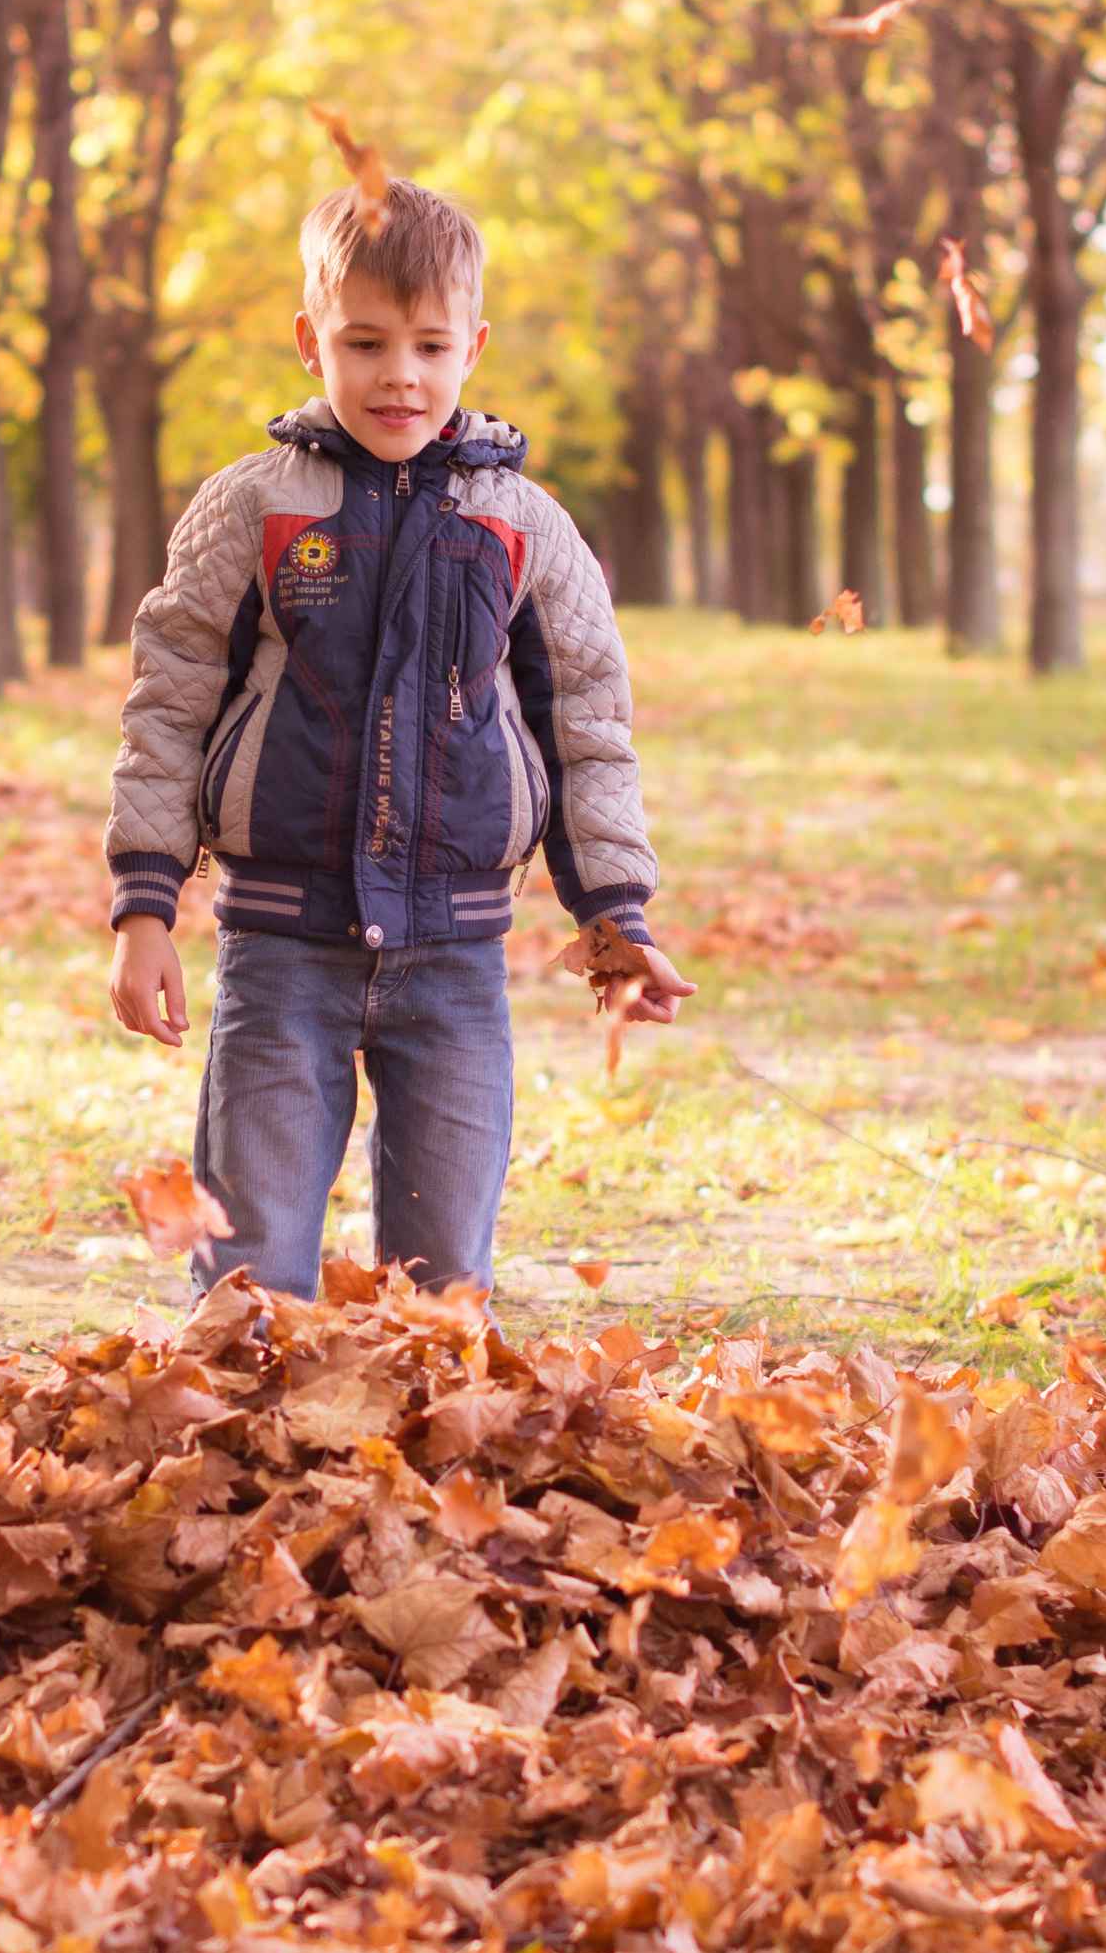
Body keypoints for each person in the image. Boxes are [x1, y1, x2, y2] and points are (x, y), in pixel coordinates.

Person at [104, 175, 693, 1298]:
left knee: (443, 1279)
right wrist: (143, 906)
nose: (399, 375)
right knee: (250, 1271)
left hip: (455, 961)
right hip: (282, 952)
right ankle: (244, 1446)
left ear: (472, 345)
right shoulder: (251, 509)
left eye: (428, 345)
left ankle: (413, 1448)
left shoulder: (522, 527)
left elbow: (585, 732)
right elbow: (170, 701)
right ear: (307, 341)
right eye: (364, 342)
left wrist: (613, 916)